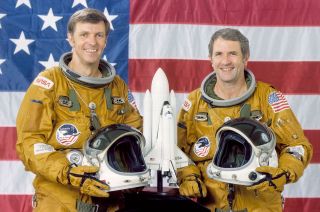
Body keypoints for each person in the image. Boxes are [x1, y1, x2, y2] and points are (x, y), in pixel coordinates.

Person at [16, 8, 142, 212]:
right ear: (71, 39)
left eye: (98, 35)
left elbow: (135, 133)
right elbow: (30, 143)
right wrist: (68, 172)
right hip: (59, 203)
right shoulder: (49, 83)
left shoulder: (117, 86)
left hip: (109, 201)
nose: (92, 42)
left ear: (106, 40)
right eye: (84, 34)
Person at [176, 28, 313, 211]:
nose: (225, 61)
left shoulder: (268, 98)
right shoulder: (194, 103)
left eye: (232, 53)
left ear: (245, 57)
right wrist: (187, 176)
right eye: (219, 54)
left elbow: (297, 146)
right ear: (211, 59)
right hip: (212, 206)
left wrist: (282, 173)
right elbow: (177, 152)